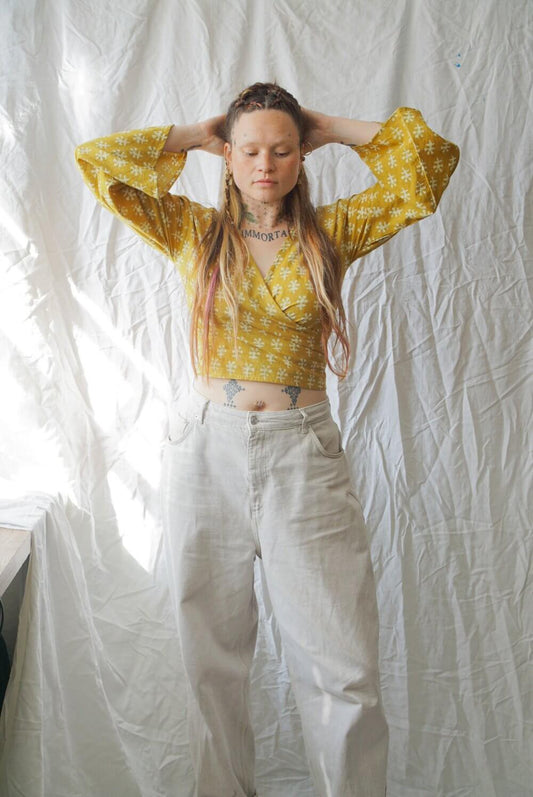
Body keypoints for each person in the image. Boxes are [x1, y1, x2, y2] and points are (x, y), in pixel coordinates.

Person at [76, 82, 459, 797]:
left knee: (342, 667)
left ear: (300, 155)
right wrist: (195, 134)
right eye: (249, 150)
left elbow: (428, 169)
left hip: (301, 454)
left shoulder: (331, 232)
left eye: (282, 149)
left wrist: (330, 126)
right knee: (209, 663)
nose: (265, 164)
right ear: (227, 156)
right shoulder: (192, 231)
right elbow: (96, 162)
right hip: (204, 450)